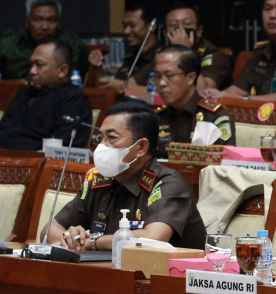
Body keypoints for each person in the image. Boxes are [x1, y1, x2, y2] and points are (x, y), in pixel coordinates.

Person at [42, 101, 206, 251]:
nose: (101, 146)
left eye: (111, 138)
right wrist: (70, 238)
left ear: (141, 147)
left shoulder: (168, 184)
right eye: (100, 138)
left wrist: (93, 241)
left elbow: (153, 239)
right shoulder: (100, 181)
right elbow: (48, 230)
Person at [0, 37, 91, 151]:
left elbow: (64, 145)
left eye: (39, 65)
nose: (32, 71)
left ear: (62, 71)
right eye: (31, 65)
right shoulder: (24, 93)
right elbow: (4, 131)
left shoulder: (74, 99)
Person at [154, 45, 235, 157]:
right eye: (157, 76)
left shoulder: (215, 118)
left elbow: (225, 163)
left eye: (169, 75)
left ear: (190, 78)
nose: (161, 83)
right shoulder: (157, 118)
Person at [0, 0, 88, 80]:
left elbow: (74, 79)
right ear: (27, 22)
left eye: (51, 20)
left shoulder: (72, 44)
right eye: (38, 20)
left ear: (59, 23)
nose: (45, 27)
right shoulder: (8, 43)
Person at [89, 1, 160, 98]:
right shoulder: (130, 59)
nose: (126, 31)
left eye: (132, 25)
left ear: (152, 26)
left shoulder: (162, 57)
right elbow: (108, 90)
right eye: (125, 26)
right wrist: (97, 66)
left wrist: (119, 85)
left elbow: (156, 95)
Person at [162, 3, 232, 92]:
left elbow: (202, 91)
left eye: (187, 24)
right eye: (174, 25)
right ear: (165, 34)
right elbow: (150, 88)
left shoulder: (214, 56)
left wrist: (184, 52)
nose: (181, 30)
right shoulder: (162, 54)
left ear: (199, 31)